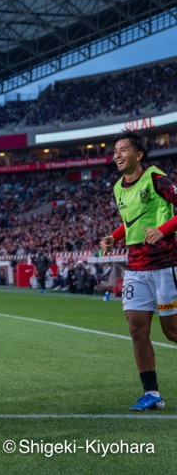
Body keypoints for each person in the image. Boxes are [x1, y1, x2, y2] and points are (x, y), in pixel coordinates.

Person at [100, 128, 177, 411]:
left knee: (172, 331)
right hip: (135, 267)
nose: (117, 155)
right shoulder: (118, 187)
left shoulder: (156, 178)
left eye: (123, 150)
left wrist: (163, 230)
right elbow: (130, 222)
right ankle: (152, 394)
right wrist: (113, 237)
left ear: (138, 155)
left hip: (165, 265)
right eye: (115, 151)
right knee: (136, 330)